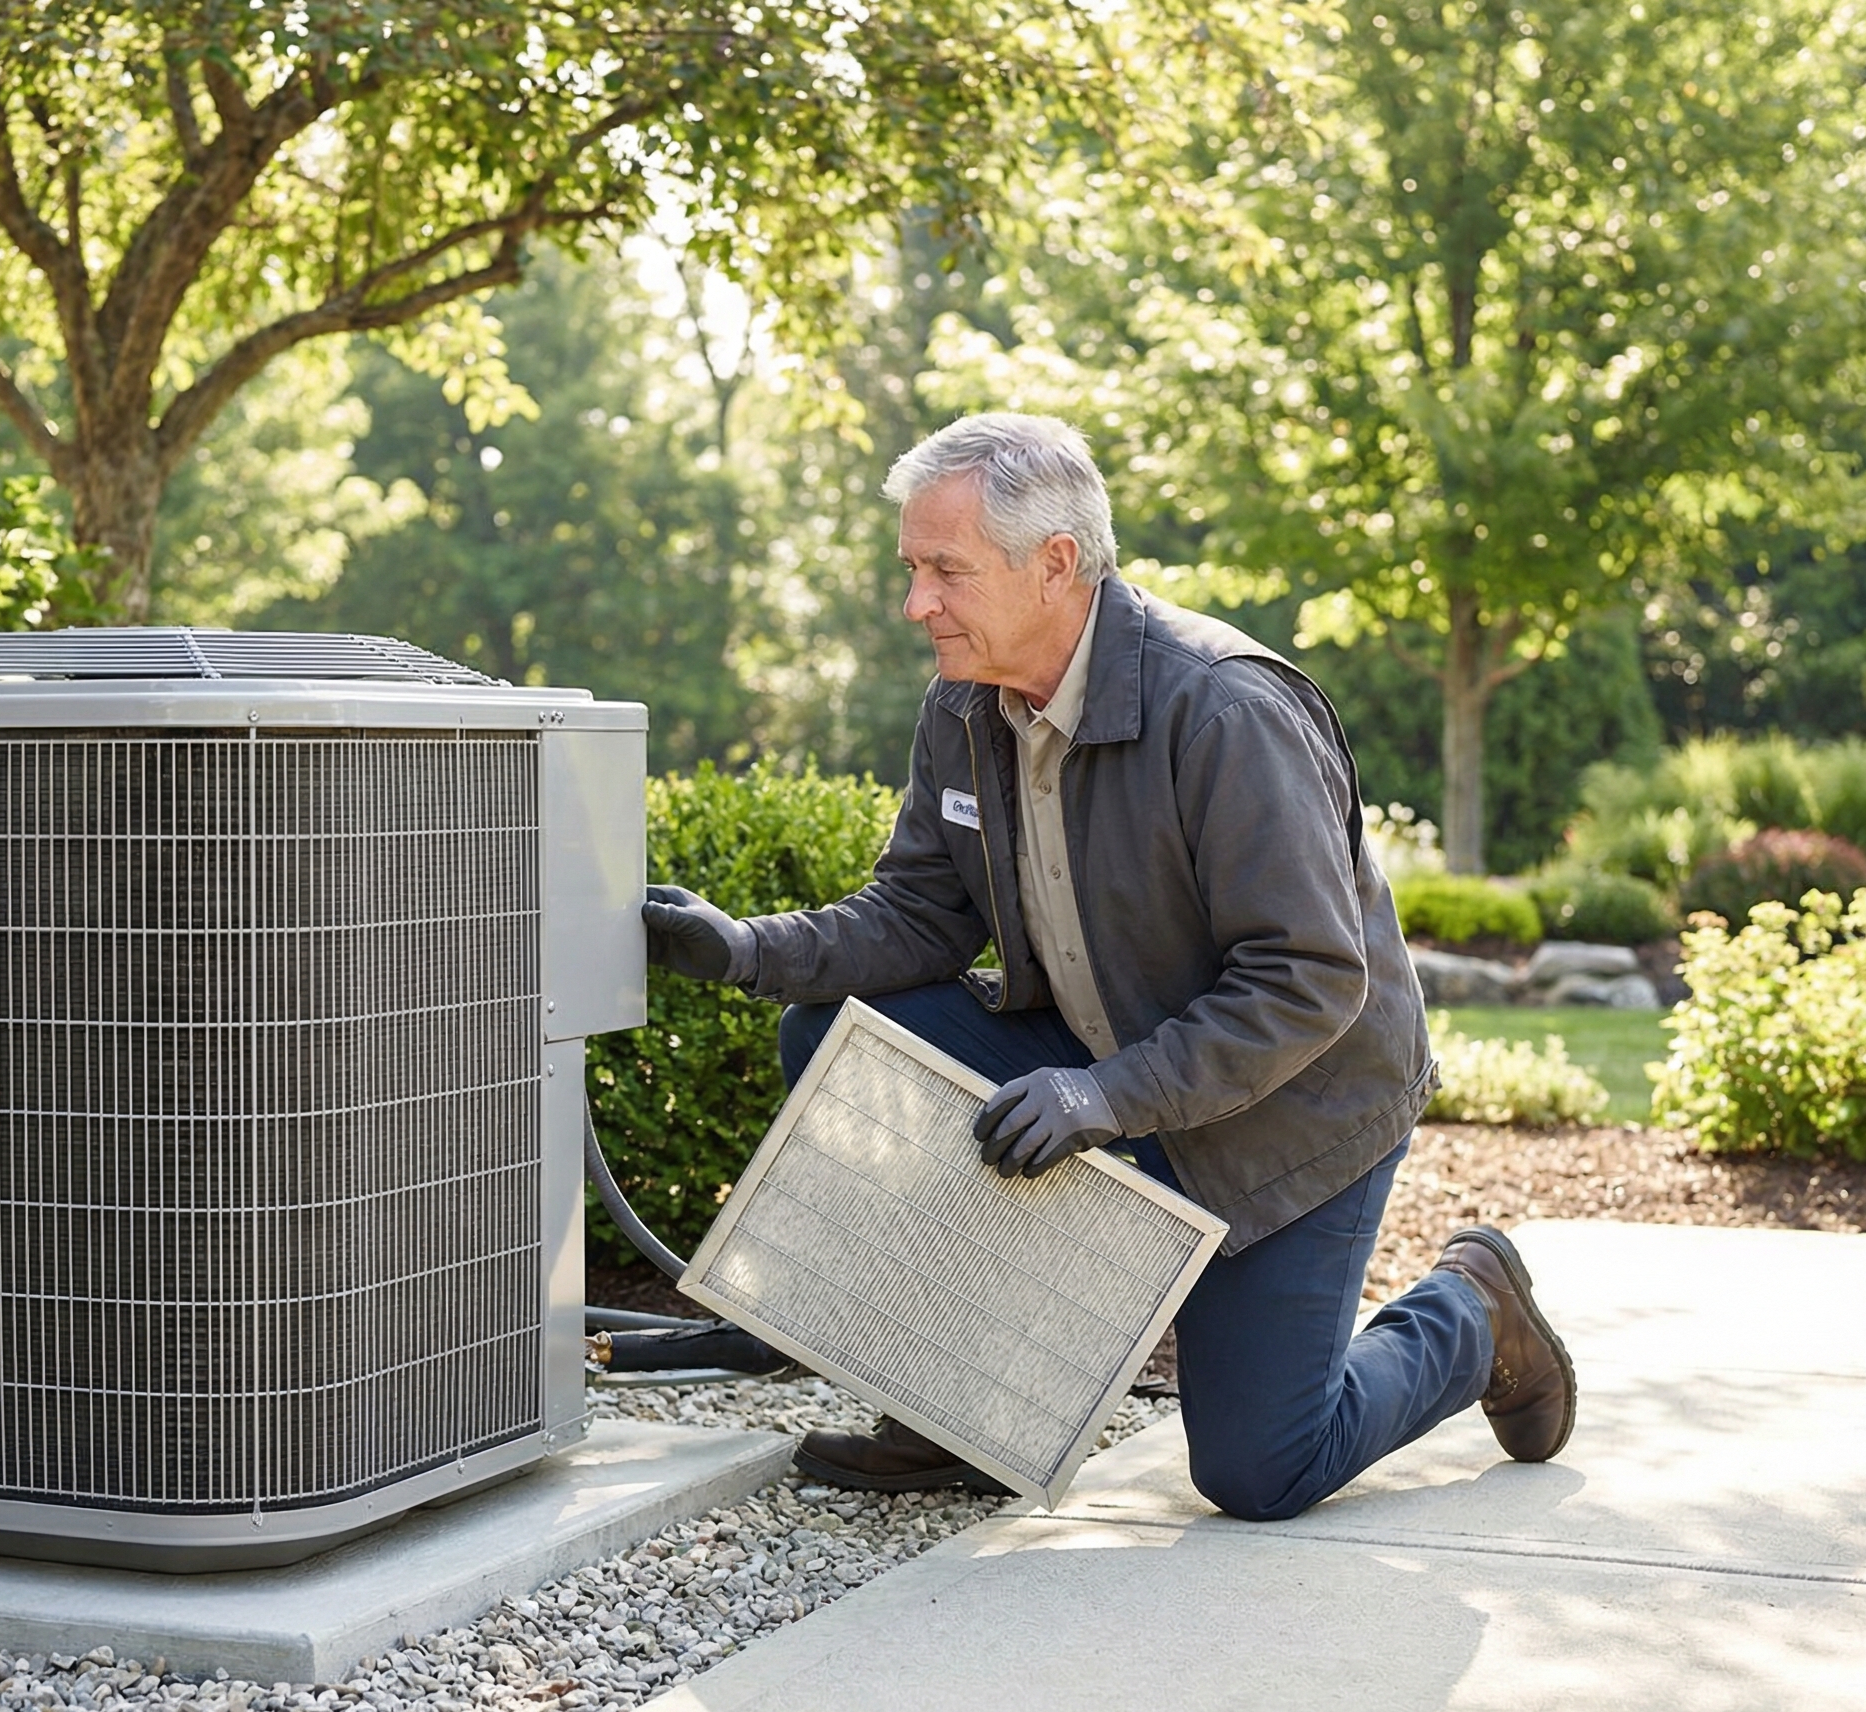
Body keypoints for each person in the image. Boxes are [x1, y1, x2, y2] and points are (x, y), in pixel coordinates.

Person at [641, 412, 1574, 1520]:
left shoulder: (1224, 707)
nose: (916, 604)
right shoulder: (967, 704)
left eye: (945, 569)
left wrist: (1106, 1096)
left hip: (1295, 1101)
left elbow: (1312, 979)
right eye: (911, 569)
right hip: (1112, 1060)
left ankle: (1473, 1309)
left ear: (1056, 564)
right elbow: (922, 915)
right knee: (837, 1024)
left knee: (1261, 1468)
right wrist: (750, 949)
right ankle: (960, 1415)